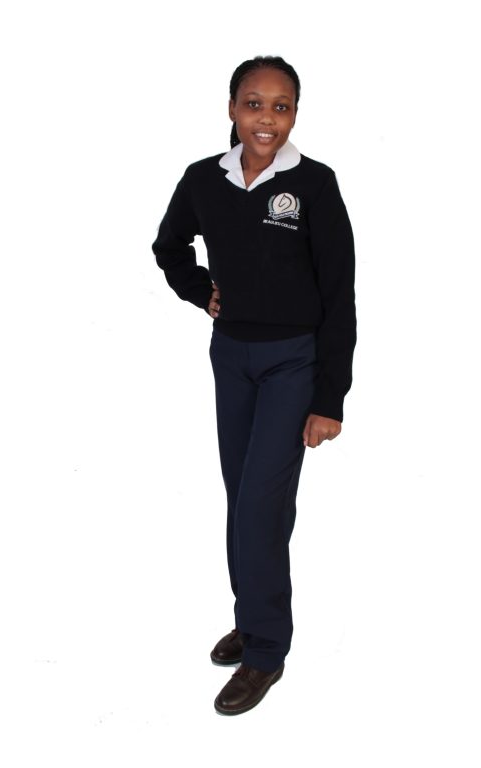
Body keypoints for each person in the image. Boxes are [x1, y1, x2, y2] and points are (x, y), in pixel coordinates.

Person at [152, 55, 356, 716]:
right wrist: (199, 291)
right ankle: (255, 612)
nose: (266, 118)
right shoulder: (203, 180)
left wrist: (329, 397)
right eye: (254, 103)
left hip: (293, 362)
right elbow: (169, 247)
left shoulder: (314, 184)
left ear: (294, 114)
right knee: (244, 497)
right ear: (232, 109)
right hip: (231, 356)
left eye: (281, 106)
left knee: (259, 509)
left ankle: (266, 650)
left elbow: (339, 294)